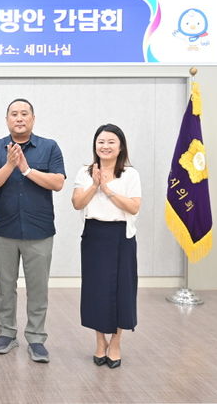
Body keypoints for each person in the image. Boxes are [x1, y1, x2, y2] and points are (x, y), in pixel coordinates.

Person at [0, 98, 65, 363]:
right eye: (14, 114)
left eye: (24, 114)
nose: (19, 118)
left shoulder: (49, 147)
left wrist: (27, 170)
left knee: (38, 289)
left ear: (33, 118)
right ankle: (7, 334)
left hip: (39, 231)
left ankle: (36, 338)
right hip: (3, 230)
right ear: (7, 120)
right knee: (5, 287)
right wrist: (10, 165)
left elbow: (58, 182)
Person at [71, 124, 141, 369]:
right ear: (95, 145)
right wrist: (94, 185)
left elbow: (134, 207)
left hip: (121, 236)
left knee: (123, 290)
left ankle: (116, 343)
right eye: (101, 142)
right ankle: (100, 342)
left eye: (111, 142)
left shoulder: (130, 174)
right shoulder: (85, 172)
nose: (105, 146)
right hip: (94, 235)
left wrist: (107, 190)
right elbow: (77, 203)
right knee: (96, 291)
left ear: (120, 147)